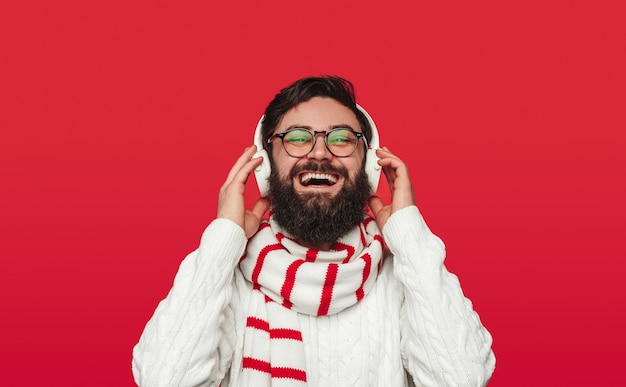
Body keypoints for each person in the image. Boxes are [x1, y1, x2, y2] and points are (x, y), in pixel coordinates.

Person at [132, 76, 496, 386]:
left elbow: (461, 377)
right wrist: (222, 243)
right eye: (297, 137)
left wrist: (410, 239)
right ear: (265, 164)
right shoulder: (228, 278)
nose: (320, 152)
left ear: (368, 164)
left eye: (340, 139)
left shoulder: (401, 275)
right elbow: (164, 379)